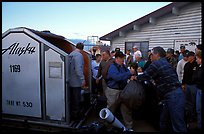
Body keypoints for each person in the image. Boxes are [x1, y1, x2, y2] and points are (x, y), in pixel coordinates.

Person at [135, 46, 187, 132]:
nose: (150, 57)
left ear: (157, 54)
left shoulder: (157, 63)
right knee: (164, 122)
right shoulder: (165, 62)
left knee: (178, 125)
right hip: (170, 95)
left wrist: (135, 77)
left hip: (173, 96)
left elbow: (145, 76)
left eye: (152, 54)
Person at [105, 51, 135, 129]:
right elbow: (117, 78)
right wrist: (129, 74)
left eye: (123, 58)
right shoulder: (112, 67)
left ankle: (129, 127)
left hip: (123, 91)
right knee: (111, 109)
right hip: (113, 91)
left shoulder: (123, 66)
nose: (123, 60)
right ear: (117, 58)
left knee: (126, 109)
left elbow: (127, 74)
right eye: (122, 58)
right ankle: (107, 126)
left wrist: (131, 76)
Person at [68, 42, 86, 120]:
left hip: (69, 81)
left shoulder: (70, 54)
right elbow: (78, 69)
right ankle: (76, 116)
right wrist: (83, 79)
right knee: (76, 99)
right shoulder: (79, 56)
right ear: (82, 48)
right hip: (76, 82)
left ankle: (71, 114)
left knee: (71, 99)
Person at [182, 51, 198, 125]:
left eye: (188, 57)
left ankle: (194, 116)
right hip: (187, 85)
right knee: (186, 101)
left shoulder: (197, 65)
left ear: (192, 57)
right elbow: (184, 75)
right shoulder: (186, 65)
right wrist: (183, 84)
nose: (186, 58)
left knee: (193, 101)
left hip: (194, 86)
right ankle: (188, 115)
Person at [192, 50, 202, 130]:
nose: (196, 60)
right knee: (198, 109)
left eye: (197, 58)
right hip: (198, 88)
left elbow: (197, 77)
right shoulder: (198, 67)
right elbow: (195, 77)